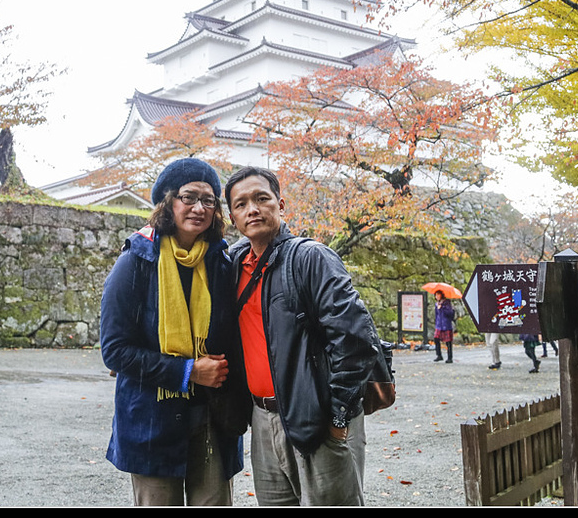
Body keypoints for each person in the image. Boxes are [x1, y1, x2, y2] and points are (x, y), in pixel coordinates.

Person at [224, 167, 380, 506]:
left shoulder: (310, 258)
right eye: (241, 204)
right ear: (232, 217)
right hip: (263, 420)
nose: (253, 209)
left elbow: (355, 340)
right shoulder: (233, 264)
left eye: (261, 198)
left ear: (281, 205)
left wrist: (338, 418)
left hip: (319, 417)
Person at [100, 158, 245, 506]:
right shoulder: (137, 261)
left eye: (208, 200)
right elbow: (115, 350)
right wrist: (188, 371)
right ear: (168, 201)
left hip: (211, 417)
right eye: (188, 197)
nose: (199, 208)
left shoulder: (221, 264)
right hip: (151, 419)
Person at [433, 290, 455, 363]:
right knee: (436, 338)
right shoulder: (437, 304)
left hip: (446, 324)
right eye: (436, 295)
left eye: (438, 295)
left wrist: (442, 308)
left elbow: (450, 313)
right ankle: (439, 355)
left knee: (448, 342)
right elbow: (436, 315)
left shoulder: (447, 303)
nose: (437, 296)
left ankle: (450, 357)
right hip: (439, 325)